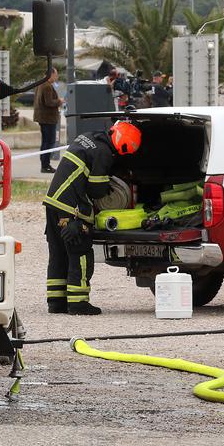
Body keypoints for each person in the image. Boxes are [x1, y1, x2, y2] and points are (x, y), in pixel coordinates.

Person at [41, 120, 141, 315]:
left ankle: (56, 301)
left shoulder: (87, 137)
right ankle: (78, 303)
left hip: (53, 203)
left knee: (58, 253)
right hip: (73, 209)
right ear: (124, 146)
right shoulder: (103, 154)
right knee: (80, 252)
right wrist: (111, 186)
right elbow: (96, 189)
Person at [34, 66, 63, 174]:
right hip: (48, 118)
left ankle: (45, 164)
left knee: (46, 141)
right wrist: (59, 101)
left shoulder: (41, 84)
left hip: (43, 118)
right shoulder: (47, 86)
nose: (57, 76)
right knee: (48, 142)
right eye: (56, 74)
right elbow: (49, 102)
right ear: (51, 74)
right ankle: (45, 165)